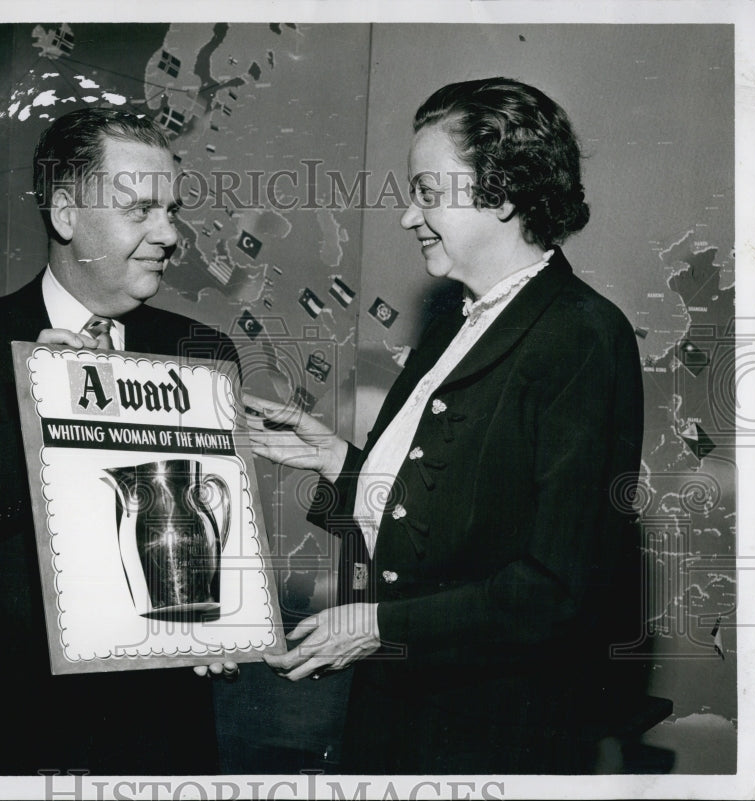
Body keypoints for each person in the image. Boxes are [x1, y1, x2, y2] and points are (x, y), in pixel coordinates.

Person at [246, 78, 645, 774]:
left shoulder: (582, 336)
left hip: (491, 736)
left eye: (428, 192)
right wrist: (343, 462)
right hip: (400, 711)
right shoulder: (454, 322)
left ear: (502, 191)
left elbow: (556, 589)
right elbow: (440, 521)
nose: (409, 216)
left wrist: (376, 624)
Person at [0, 108, 238, 775]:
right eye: (141, 210)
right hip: (1, 734)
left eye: (172, 210)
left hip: (154, 736)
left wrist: (218, 613)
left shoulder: (200, 351)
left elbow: (209, 535)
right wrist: (34, 417)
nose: (170, 233)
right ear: (66, 214)